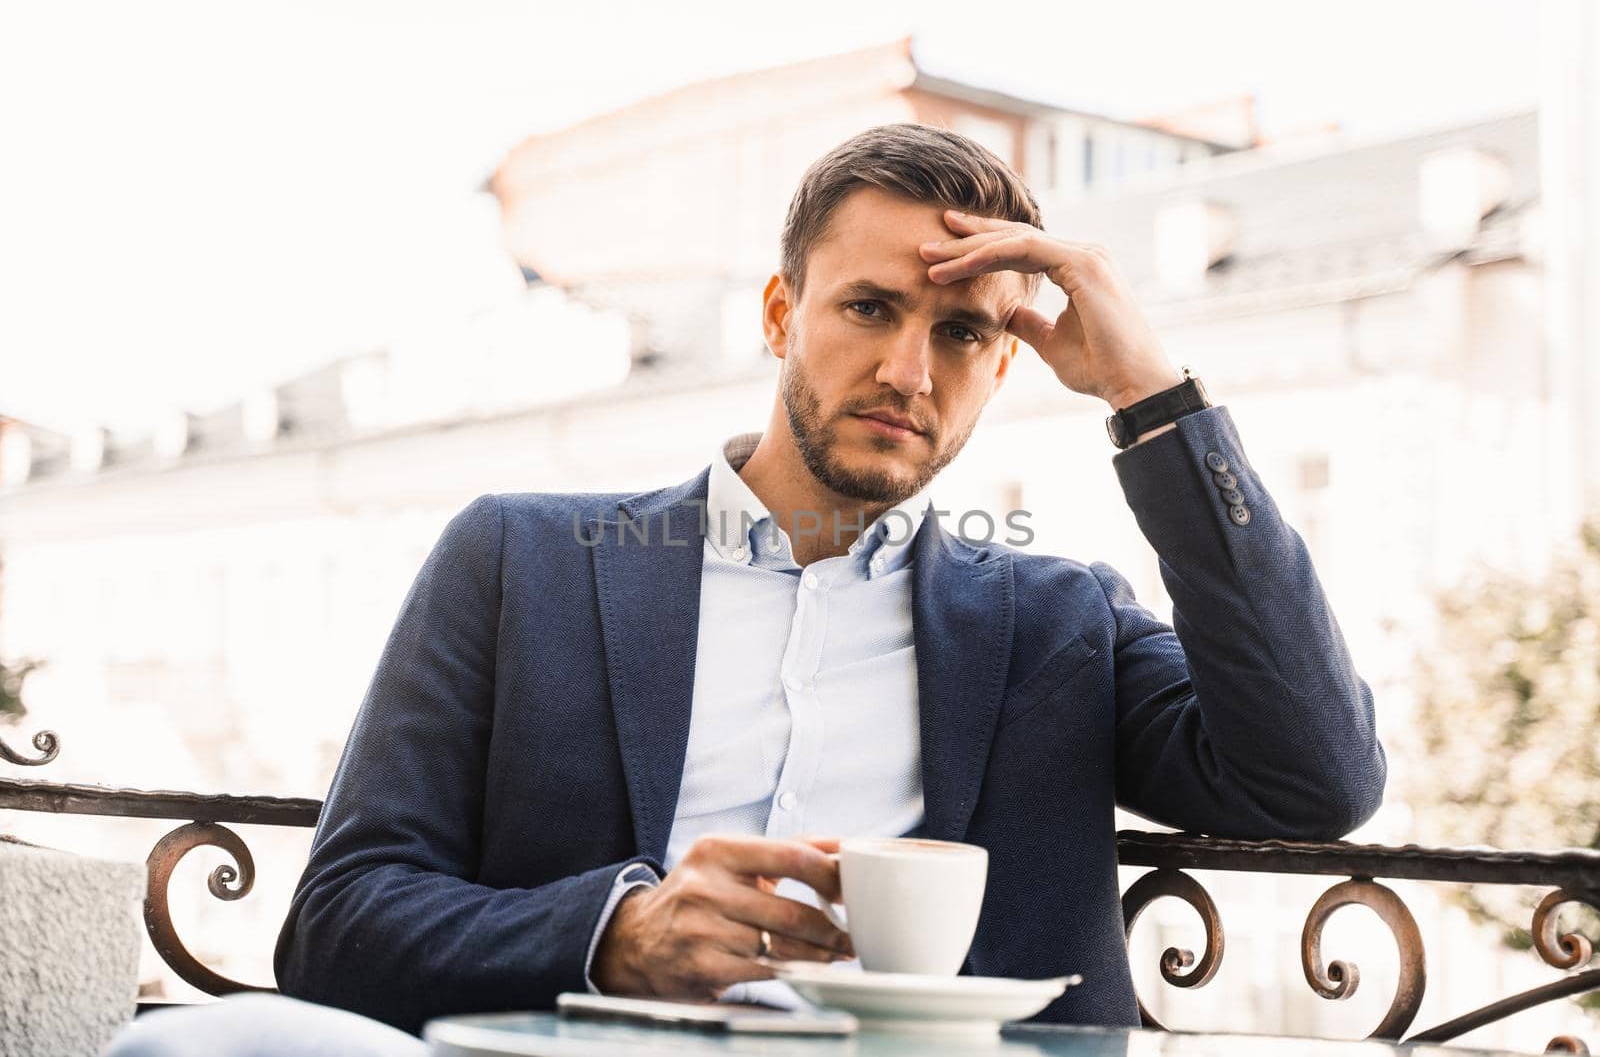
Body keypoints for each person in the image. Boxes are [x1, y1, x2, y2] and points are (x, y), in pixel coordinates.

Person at [106, 122, 1385, 1053]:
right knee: (182, 1049)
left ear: (1006, 364)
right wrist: (612, 932)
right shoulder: (521, 560)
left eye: (962, 333)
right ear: (779, 313)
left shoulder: (1058, 619)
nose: (909, 371)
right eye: (868, 307)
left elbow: (1316, 777)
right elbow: (338, 919)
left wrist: (1150, 399)